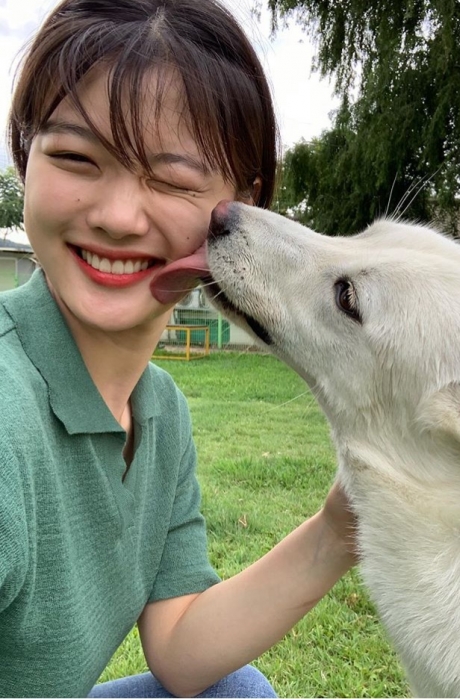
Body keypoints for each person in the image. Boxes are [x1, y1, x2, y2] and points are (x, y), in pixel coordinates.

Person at [0, 0, 358, 697]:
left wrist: (339, 531)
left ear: (239, 217)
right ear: (25, 155)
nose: (117, 217)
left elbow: (181, 647)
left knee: (237, 690)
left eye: (171, 180)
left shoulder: (158, 412)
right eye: (76, 156)